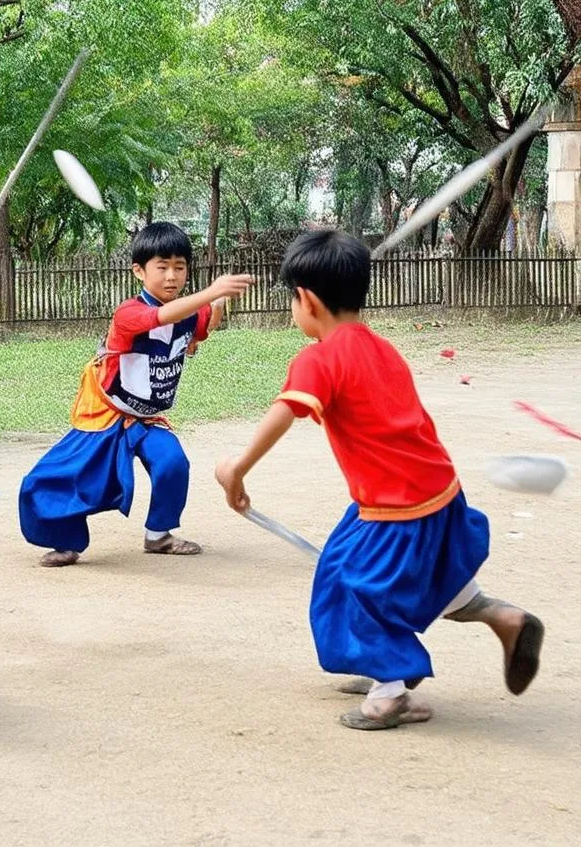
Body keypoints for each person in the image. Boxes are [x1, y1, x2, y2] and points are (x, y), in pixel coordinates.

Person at [215, 229, 544, 730]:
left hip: (395, 508)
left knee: (350, 587)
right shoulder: (380, 346)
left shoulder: (319, 358)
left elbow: (286, 410)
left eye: (291, 302)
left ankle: (390, 693)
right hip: (436, 492)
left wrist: (237, 468)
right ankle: (503, 618)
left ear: (305, 299)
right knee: (415, 574)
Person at [20, 221, 254, 566]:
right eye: (162, 267)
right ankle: (65, 542)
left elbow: (201, 326)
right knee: (57, 480)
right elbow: (159, 317)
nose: (172, 276)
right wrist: (209, 293)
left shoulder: (190, 310)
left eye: (180, 267)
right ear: (139, 271)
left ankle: (159, 535)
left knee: (173, 463)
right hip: (105, 414)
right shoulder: (129, 312)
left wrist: (216, 305)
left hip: (146, 416)